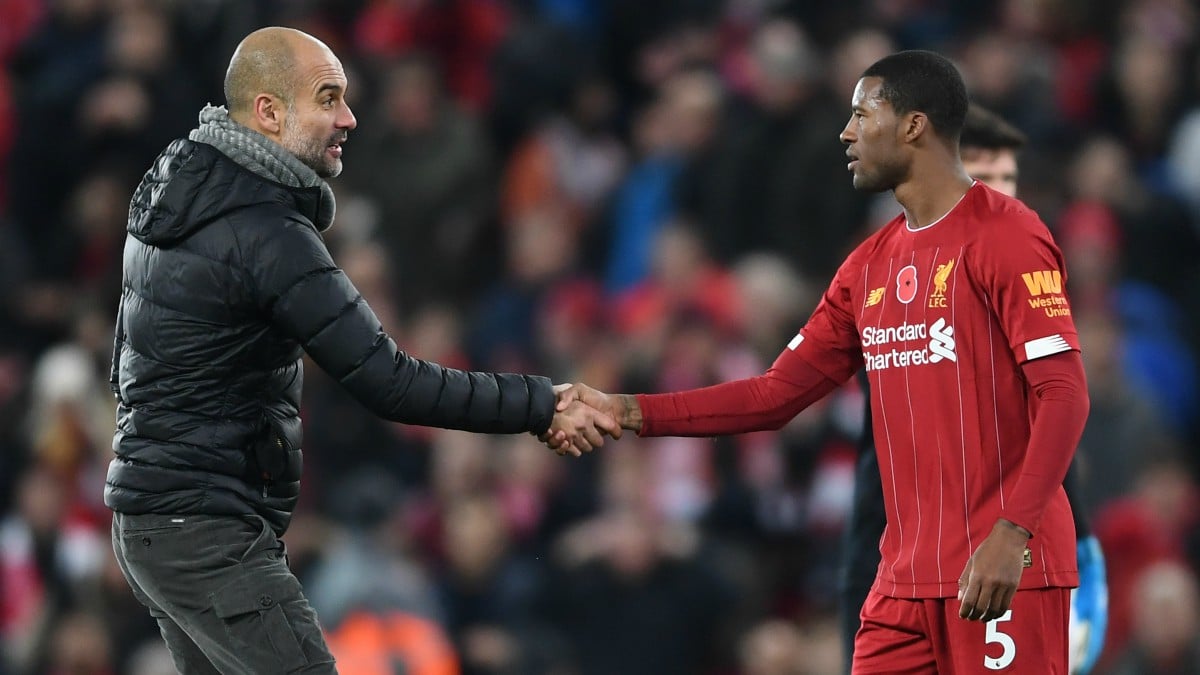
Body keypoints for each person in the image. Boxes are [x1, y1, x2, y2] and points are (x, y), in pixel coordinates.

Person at [555, 51, 1089, 673]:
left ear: (913, 126)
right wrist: (628, 411)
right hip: (903, 582)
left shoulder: (1007, 236)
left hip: (1000, 568)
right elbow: (775, 394)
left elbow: (1064, 392)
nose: (846, 132)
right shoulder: (866, 268)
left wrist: (1014, 534)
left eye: (863, 114)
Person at [105, 27, 618, 674]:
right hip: (207, 532)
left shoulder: (174, 202)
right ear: (268, 111)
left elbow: (124, 364)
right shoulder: (267, 231)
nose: (348, 117)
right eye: (327, 98)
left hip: (151, 523)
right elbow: (390, 380)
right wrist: (538, 401)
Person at [838, 103, 1109, 674]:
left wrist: (1075, 543)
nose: (1003, 196)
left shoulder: (1020, 261)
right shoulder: (884, 272)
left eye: (1011, 180)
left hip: (1005, 552)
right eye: (988, 179)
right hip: (902, 558)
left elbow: (1054, 409)